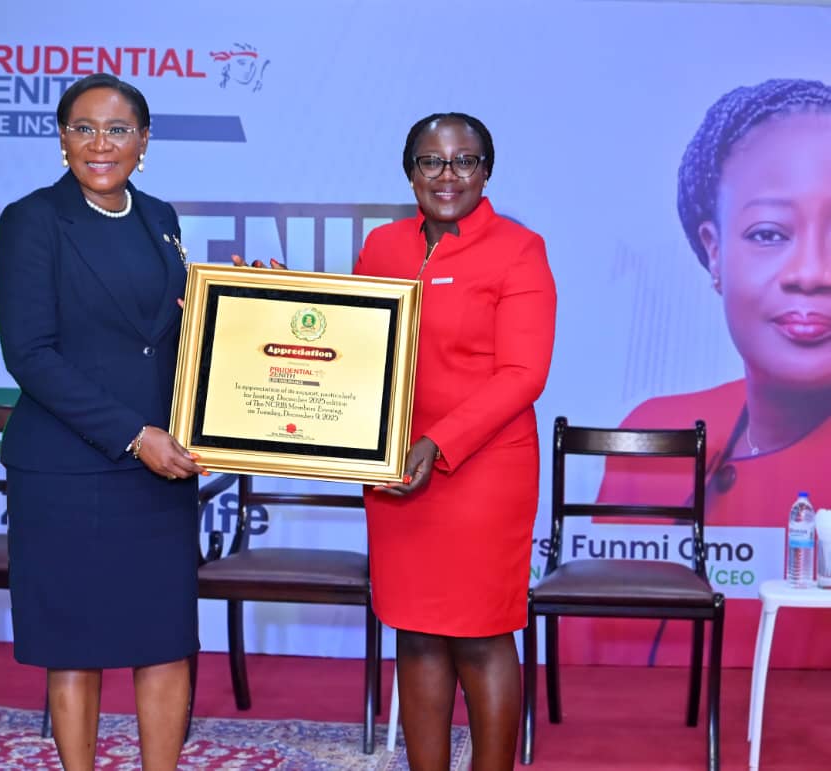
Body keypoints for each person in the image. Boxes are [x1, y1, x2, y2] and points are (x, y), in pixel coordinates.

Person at [0, 73, 206, 771]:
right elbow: (30, 354)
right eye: (83, 128)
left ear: (144, 140)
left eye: (117, 129)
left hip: (158, 473)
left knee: (165, 638)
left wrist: (248, 306)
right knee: (75, 646)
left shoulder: (160, 217)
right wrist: (133, 436)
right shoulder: (33, 220)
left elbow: (171, 335)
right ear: (62, 139)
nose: (100, 144)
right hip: (68, 469)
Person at [591, 78, 831, 669]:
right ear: (714, 250)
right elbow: (592, 643)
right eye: (769, 234)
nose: (811, 273)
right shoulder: (655, 431)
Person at [355, 113, 556, 770]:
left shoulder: (519, 249)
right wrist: (273, 298)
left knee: (480, 636)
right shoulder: (382, 246)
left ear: (486, 172)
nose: (448, 175)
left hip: (482, 471)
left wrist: (438, 442)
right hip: (395, 469)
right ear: (409, 171)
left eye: (464, 161)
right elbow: (355, 343)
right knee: (415, 633)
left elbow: (523, 374)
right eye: (432, 160)